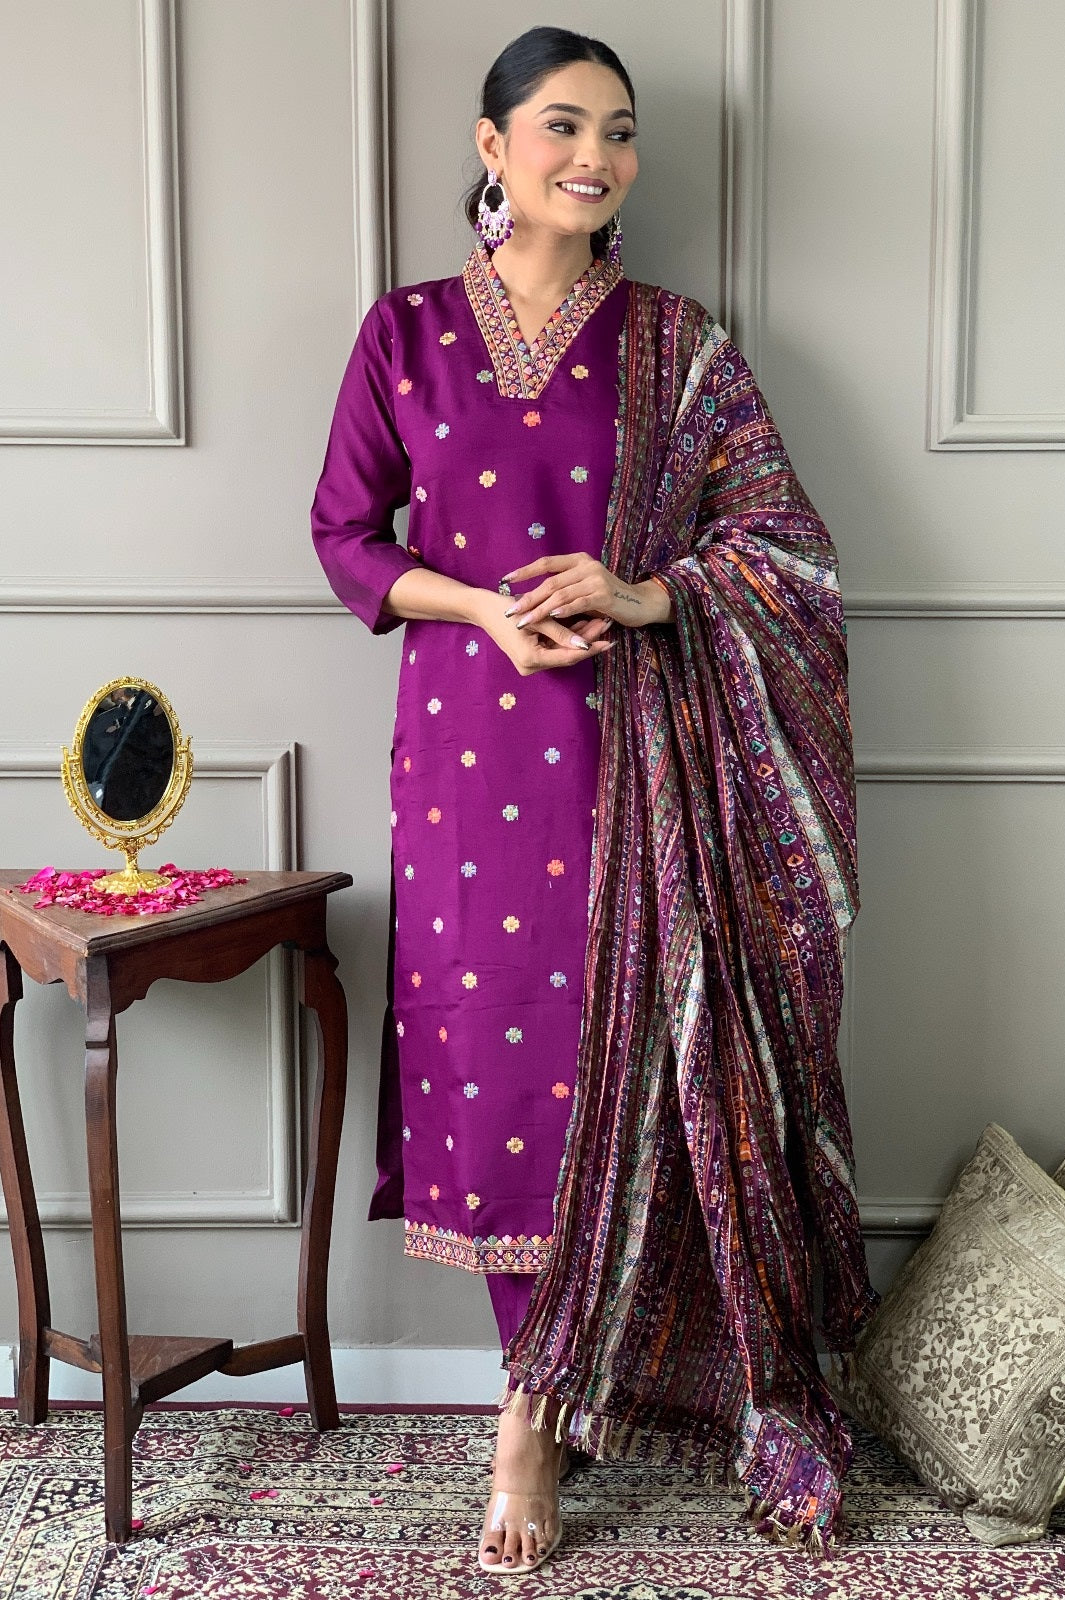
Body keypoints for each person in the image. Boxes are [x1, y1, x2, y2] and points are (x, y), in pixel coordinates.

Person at [312, 25, 879, 1577]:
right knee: (499, 1079)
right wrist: (481, 610)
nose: (597, 156)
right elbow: (347, 535)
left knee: (617, 1069)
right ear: (492, 144)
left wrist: (641, 595)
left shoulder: (679, 345)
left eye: (619, 132)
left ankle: (537, 1410)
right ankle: (537, 1391)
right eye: (562, 125)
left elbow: (784, 547)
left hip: (639, 764)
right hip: (465, 758)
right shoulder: (406, 333)